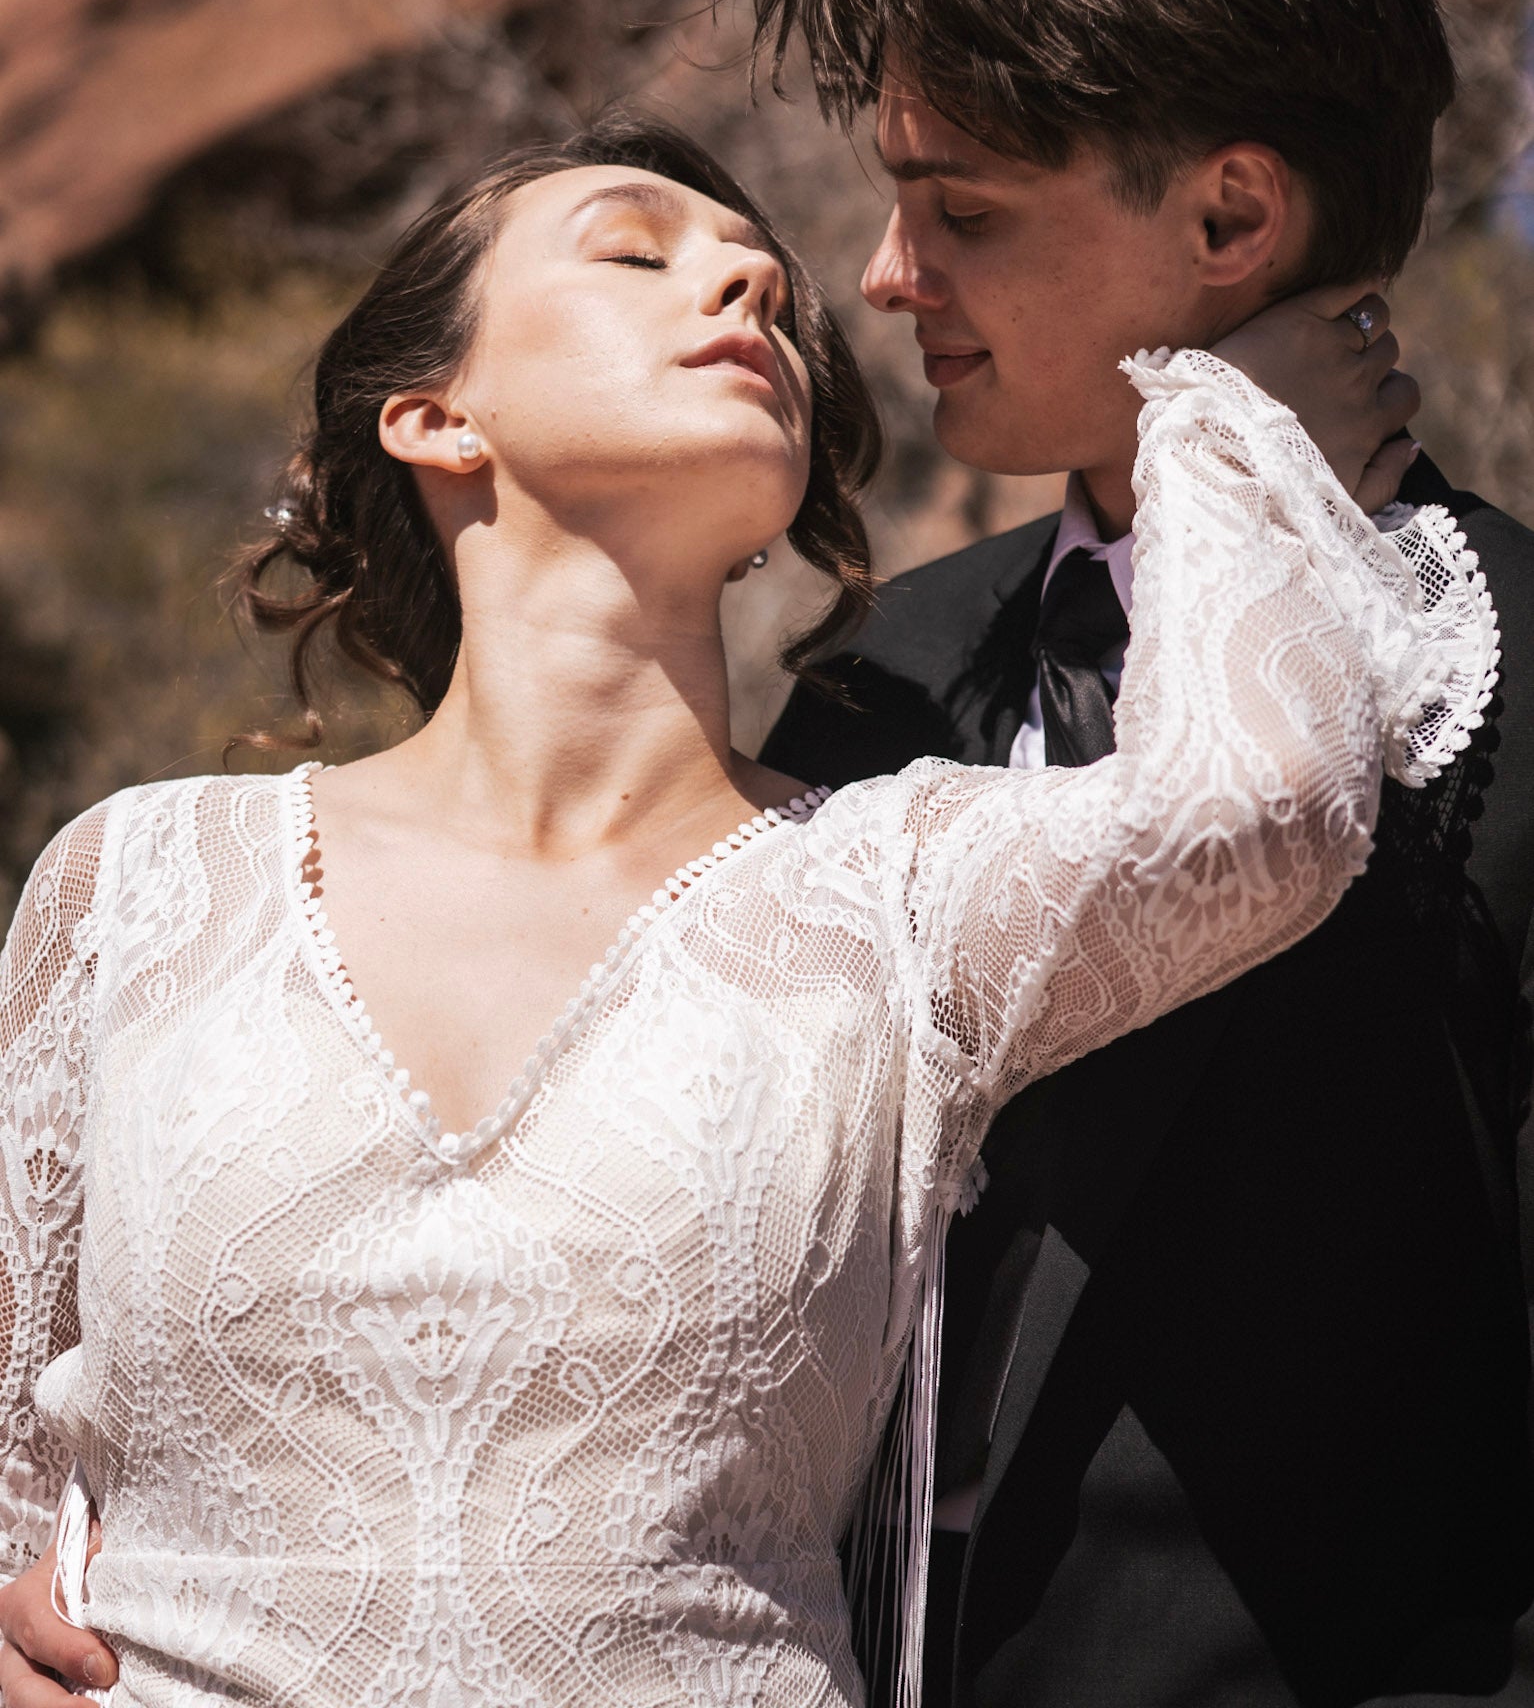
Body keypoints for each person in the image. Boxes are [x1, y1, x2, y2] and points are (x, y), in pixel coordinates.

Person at [0, 106, 1469, 1707]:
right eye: (636, 255)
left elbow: (1256, 816)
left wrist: (1227, 424)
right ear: (434, 417)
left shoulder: (895, 894)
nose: (749, 287)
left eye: (765, 284)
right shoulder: (138, 880)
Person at [749, 0, 1534, 1707]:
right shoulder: (874, 675)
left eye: (960, 208)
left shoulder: (1513, 662)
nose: (884, 275)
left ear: (1229, 214)